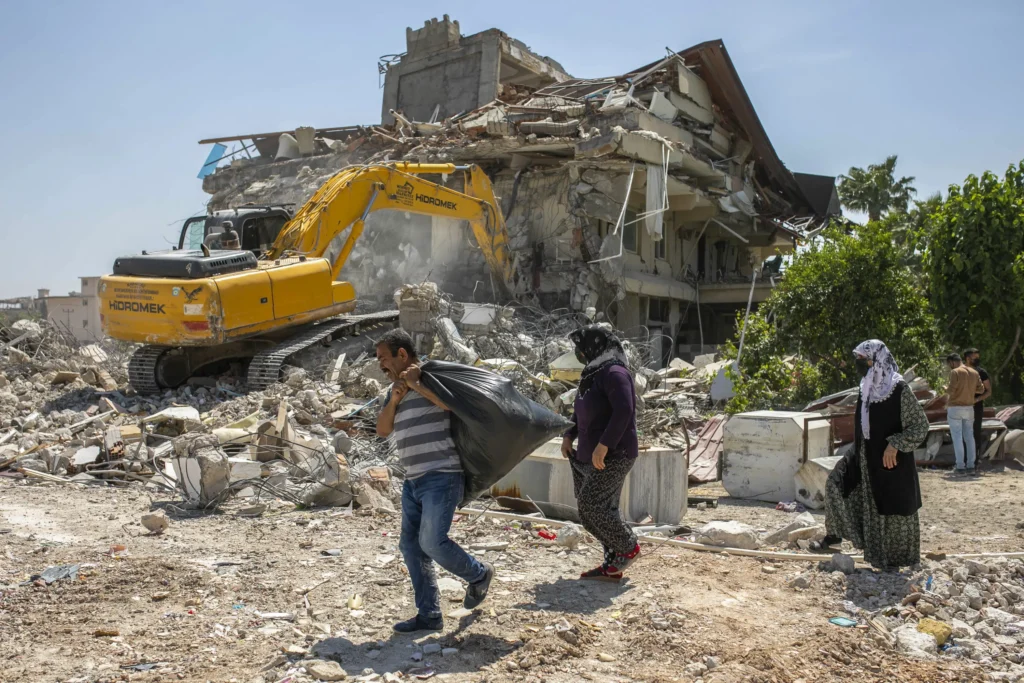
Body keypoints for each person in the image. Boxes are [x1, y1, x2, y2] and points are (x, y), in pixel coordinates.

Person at [375, 329, 493, 633]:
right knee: (411, 547)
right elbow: (383, 429)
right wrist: (395, 400)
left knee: (431, 541)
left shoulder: (431, 376)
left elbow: (451, 405)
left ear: (402, 355)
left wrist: (416, 384)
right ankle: (429, 615)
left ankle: (479, 575)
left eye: (384, 358)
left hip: (442, 476)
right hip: (413, 481)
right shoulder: (396, 390)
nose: (381, 365)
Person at [821, 340, 929, 570]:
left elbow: (920, 425)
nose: (860, 364)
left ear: (877, 360)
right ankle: (835, 535)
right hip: (863, 455)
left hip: (890, 460)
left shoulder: (898, 389)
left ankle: (892, 560)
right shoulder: (866, 386)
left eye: (864, 359)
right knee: (835, 485)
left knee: (890, 506)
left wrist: (895, 445)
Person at [560, 325, 641, 581]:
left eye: (582, 347)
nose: (580, 353)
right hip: (587, 452)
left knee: (591, 506)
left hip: (614, 453)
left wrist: (604, 444)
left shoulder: (615, 372)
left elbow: (624, 411)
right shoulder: (592, 374)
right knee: (598, 510)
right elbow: (580, 410)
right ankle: (612, 563)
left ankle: (628, 548)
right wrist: (568, 435)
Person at [945, 353, 983, 475]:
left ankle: (960, 466)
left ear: (952, 362)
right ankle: (971, 466)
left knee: (957, 437)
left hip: (955, 407)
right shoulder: (974, 372)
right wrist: (970, 389)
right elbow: (981, 389)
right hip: (969, 408)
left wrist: (945, 388)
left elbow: (951, 390)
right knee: (969, 437)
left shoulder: (955, 372)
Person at [964, 348, 992, 458]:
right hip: (961, 406)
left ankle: (975, 460)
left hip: (976, 407)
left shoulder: (981, 372)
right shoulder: (960, 372)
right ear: (967, 358)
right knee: (962, 434)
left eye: (977, 358)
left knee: (975, 432)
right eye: (975, 358)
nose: (977, 360)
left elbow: (988, 391)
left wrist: (976, 400)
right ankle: (963, 460)